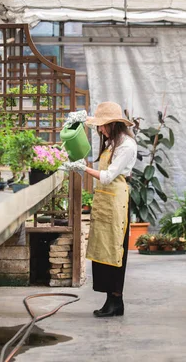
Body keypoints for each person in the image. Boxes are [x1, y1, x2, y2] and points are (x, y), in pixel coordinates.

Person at [65, 101, 137, 317]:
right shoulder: (112, 141)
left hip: (116, 200)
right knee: (102, 249)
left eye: (103, 126)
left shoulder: (126, 145)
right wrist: (80, 120)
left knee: (114, 249)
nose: (100, 130)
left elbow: (107, 177)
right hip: (105, 200)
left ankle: (116, 300)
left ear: (114, 124)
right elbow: (87, 122)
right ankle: (109, 300)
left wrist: (83, 167)